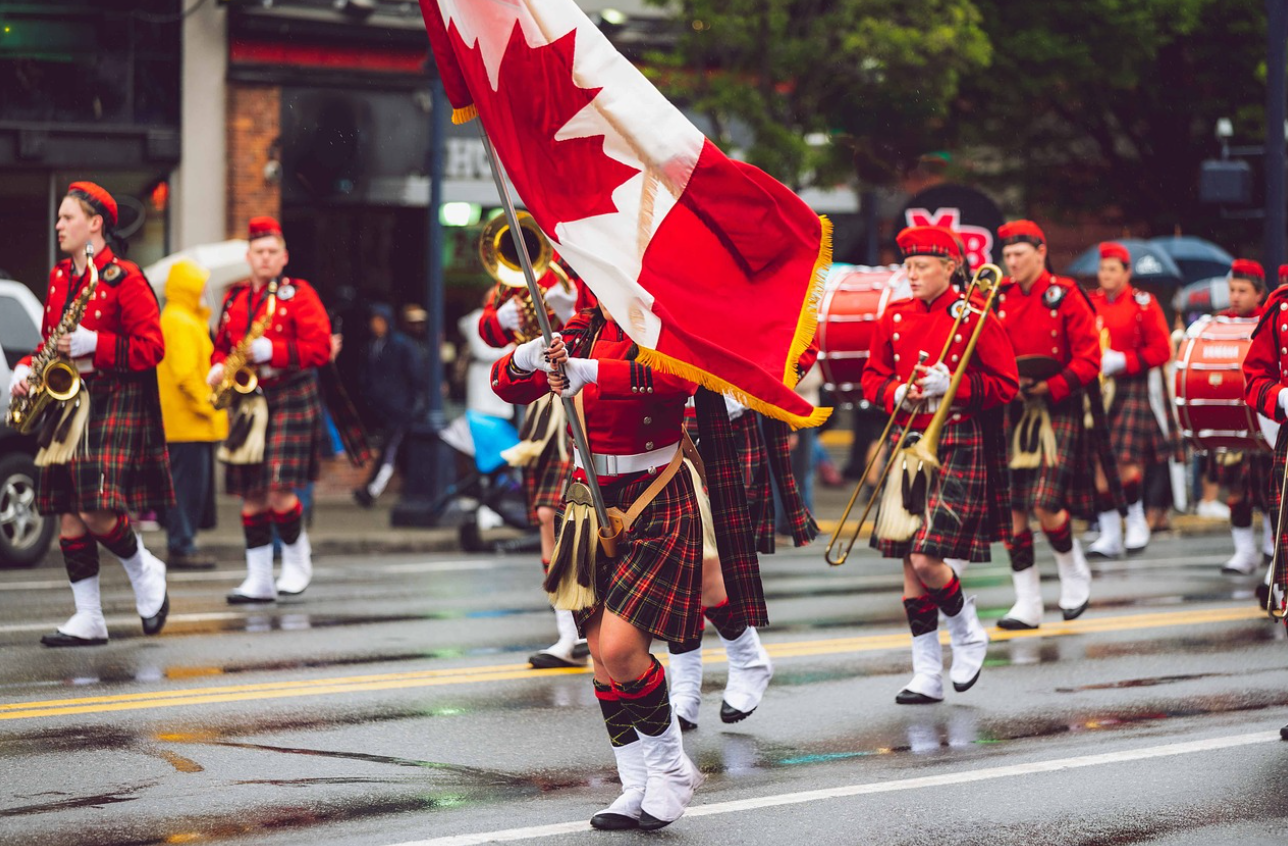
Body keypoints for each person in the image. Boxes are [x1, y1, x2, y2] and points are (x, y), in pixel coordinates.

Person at [491, 302, 708, 830]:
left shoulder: (664, 317)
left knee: (620, 648)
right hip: (589, 495)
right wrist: (527, 358)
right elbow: (507, 386)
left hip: (654, 491)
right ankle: (635, 784)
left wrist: (591, 372)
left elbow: (683, 377)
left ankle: (671, 770)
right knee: (602, 659)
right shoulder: (583, 325)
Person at [9, 182, 172, 646]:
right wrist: (26, 369)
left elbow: (153, 347)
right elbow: (50, 342)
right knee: (67, 512)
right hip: (67, 397)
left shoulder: (125, 278)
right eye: (60, 218)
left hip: (112, 395)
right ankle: (88, 616)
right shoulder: (61, 277)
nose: (59, 225)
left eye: (68, 217)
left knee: (96, 508)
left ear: (95, 224)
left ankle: (144, 567)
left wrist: (96, 345)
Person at [861, 225, 1018, 704]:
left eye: (921, 266)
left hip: (957, 436)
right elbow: (872, 378)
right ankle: (926, 671)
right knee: (910, 564)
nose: (911, 274)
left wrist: (954, 385)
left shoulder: (973, 315)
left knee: (928, 558)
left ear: (950, 268)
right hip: (909, 438)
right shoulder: (892, 316)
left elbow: (1006, 384)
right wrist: (896, 392)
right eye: (907, 265)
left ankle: (968, 632)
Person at [209, 216, 331, 604]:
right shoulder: (234, 298)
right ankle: (259, 578)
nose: (264, 258)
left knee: (280, 488)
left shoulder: (300, 294)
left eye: (271, 252)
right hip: (249, 399)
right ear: (248, 256)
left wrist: (274, 352)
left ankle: (297, 562)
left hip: (291, 392)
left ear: (284, 257)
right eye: (258, 251)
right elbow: (222, 344)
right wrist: (216, 365)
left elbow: (321, 348)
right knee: (252, 493)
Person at [479, 263, 593, 668]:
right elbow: (488, 334)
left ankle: (589, 627)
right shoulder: (521, 273)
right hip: (543, 403)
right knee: (548, 514)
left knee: (571, 516)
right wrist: (501, 318)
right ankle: (569, 632)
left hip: (582, 392)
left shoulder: (581, 262)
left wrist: (569, 308)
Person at [992, 221, 1100, 628]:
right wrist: (1008, 385)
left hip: (1058, 406)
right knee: (1013, 512)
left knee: (1046, 503)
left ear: (1041, 251)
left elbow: (1090, 358)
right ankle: (1028, 601)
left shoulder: (1066, 295)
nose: (1012, 262)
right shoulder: (998, 298)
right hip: (1014, 409)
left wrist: (1050, 385)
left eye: (1020, 254)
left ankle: (1074, 571)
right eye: (1007, 255)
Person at [1087, 242, 1172, 558]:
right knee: (1100, 463)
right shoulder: (1090, 302)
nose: (1106, 275)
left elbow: (1162, 350)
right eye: (1102, 268)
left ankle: (1136, 520)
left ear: (1127, 273)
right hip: (1097, 389)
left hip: (1131, 385)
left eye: (1112, 269)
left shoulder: (1143, 304)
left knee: (1125, 463)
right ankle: (1109, 535)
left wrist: (1124, 360)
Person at [157, 258, 227, 570]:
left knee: (189, 490)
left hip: (189, 423)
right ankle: (182, 545)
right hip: (185, 423)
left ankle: (184, 543)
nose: (206, 291)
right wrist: (209, 403)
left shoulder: (185, 319)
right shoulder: (179, 321)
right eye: (201, 285)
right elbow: (185, 375)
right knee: (185, 490)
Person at [1211, 259, 1273, 574]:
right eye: (1231, 289)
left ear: (1260, 294)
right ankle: (1244, 553)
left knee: (1269, 491)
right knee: (1237, 491)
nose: (1234, 296)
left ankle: (1271, 546)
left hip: (1264, 420)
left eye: (1242, 290)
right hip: (1233, 419)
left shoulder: (1270, 321)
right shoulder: (1219, 323)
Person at [353, 302, 426, 507]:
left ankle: (371, 490)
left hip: (401, 408)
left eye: (379, 320)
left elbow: (415, 376)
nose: (375, 325)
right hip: (383, 409)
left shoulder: (401, 344)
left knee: (390, 450)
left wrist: (411, 404)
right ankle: (413, 489)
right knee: (400, 452)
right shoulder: (372, 345)